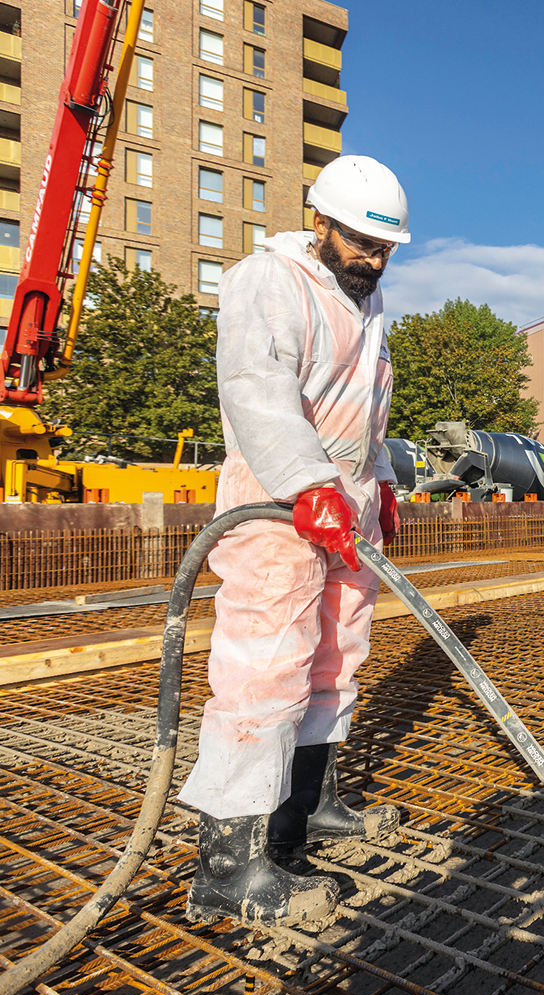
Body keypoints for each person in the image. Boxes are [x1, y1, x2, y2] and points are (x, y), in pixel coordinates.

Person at [177, 155, 409, 929]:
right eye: (362, 244)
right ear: (321, 223)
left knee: (335, 659)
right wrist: (308, 484)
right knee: (265, 667)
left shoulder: (369, 302)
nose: (374, 261)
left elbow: (366, 407)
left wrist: (382, 480)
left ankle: (306, 808)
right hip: (280, 503)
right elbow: (257, 390)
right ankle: (228, 864)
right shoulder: (268, 281)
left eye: (385, 249)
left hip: (348, 507)